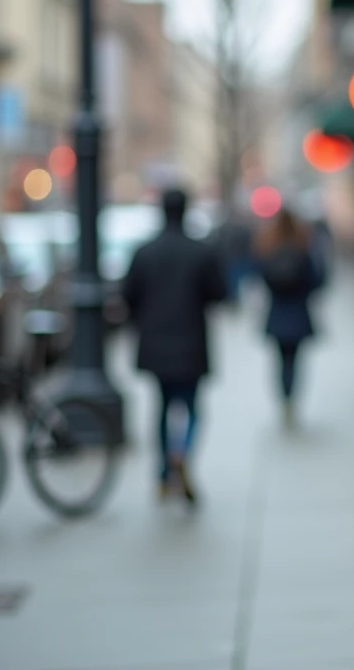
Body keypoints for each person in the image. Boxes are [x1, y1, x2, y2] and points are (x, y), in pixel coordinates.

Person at [123, 188, 227, 503]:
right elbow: (219, 293)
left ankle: (162, 475)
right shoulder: (201, 251)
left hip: (156, 344)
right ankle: (181, 454)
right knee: (192, 408)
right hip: (191, 342)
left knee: (162, 408)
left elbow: (128, 295)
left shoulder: (145, 251)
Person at [254, 207, 323, 426]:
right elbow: (317, 280)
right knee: (295, 361)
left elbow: (261, 277)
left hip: (276, 314)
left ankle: (284, 399)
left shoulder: (268, 247)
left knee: (280, 361)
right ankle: (292, 400)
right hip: (299, 314)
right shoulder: (302, 247)